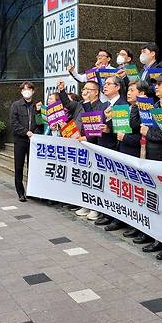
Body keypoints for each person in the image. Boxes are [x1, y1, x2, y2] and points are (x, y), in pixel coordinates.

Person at [137, 74, 162, 249]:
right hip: (149, 156)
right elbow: (140, 126)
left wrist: (148, 133)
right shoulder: (153, 106)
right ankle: (154, 236)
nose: (156, 87)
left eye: (160, 84)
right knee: (153, 200)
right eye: (155, 84)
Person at [58, 79, 105, 218]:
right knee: (83, 177)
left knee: (94, 178)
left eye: (88, 89)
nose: (84, 91)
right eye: (83, 89)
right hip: (78, 145)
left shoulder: (101, 106)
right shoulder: (79, 105)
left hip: (92, 146)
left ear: (96, 92)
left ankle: (95, 207)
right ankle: (85, 204)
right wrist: (62, 90)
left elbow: (98, 129)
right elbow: (66, 103)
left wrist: (87, 138)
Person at [94, 75, 129, 227]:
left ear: (117, 87)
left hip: (115, 148)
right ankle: (107, 213)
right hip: (102, 147)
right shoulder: (103, 105)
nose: (105, 86)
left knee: (117, 185)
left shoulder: (123, 105)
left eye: (109, 84)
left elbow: (124, 129)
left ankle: (117, 219)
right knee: (107, 184)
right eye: (104, 84)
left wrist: (110, 129)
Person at [120, 80, 152, 238]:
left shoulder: (144, 110)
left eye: (132, 90)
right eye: (129, 89)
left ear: (142, 93)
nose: (128, 92)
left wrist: (124, 137)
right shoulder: (131, 107)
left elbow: (137, 131)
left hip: (140, 153)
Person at [9, 82, 43, 202]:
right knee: (19, 167)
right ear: (21, 92)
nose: (26, 91)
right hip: (20, 140)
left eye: (28, 89)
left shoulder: (37, 105)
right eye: (24, 89)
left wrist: (39, 112)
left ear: (33, 91)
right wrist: (25, 132)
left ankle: (31, 191)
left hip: (33, 141)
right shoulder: (16, 105)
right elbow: (14, 123)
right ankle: (20, 192)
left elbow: (41, 124)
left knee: (32, 167)